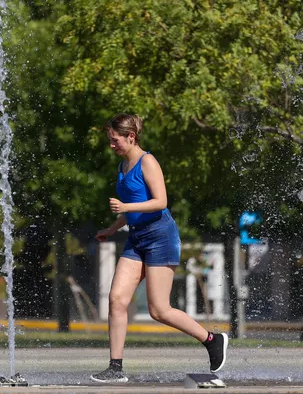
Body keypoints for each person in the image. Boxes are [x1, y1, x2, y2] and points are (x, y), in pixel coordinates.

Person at [91, 113, 228, 383]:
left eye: (115, 140)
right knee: (117, 299)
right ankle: (115, 368)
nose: (112, 145)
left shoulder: (147, 162)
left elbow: (160, 201)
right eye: (110, 140)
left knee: (159, 310)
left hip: (160, 237)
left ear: (131, 137)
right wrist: (112, 228)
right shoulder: (123, 165)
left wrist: (126, 207)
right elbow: (131, 206)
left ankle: (212, 340)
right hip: (137, 238)